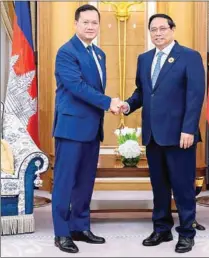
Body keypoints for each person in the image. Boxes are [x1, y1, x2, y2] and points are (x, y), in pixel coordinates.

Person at [121, 14, 205, 253]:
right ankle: (161, 229)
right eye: (153, 30)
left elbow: (195, 96)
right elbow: (143, 92)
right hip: (153, 135)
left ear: (172, 29)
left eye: (162, 29)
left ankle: (187, 232)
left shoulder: (189, 57)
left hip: (180, 135)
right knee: (159, 186)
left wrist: (189, 128)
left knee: (182, 186)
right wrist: (128, 105)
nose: (158, 33)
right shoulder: (145, 59)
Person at [52, 4, 123, 253]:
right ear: (76, 24)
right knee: (64, 182)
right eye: (86, 22)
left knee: (85, 181)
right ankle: (62, 233)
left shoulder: (99, 53)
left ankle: (80, 227)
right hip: (71, 128)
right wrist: (109, 103)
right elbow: (77, 86)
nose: (91, 27)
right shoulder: (66, 52)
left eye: (95, 23)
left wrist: (109, 104)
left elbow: (93, 87)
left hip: (92, 128)